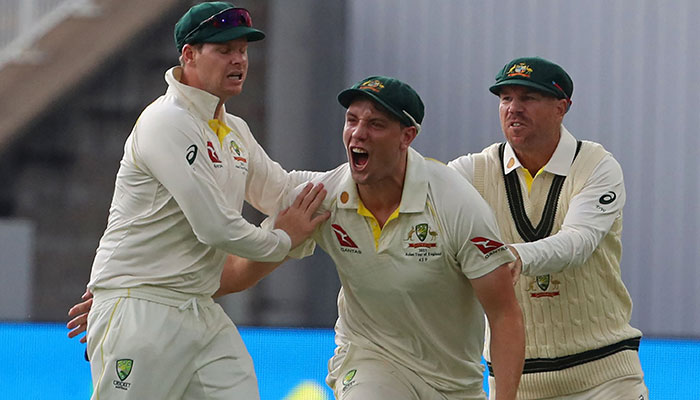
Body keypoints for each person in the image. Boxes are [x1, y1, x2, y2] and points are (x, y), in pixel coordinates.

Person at [71, 75, 526, 399]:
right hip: (370, 360)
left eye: (376, 125)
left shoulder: (455, 204)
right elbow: (245, 270)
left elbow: (504, 313)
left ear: (407, 136)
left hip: (455, 378)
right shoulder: (327, 197)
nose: (357, 134)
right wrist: (139, 291)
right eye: (352, 120)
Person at [76, 2, 329, 399]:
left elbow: (282, 191)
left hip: (199, 309)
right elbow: (215, 227)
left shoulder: (233, 130)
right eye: (224, 50)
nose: (239, 60)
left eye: (243, 50)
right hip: (142, 305)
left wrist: (356, 182)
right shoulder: (166, 121)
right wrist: (284, 239)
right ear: (189, 55)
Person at [447, 57, 649, 399]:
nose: (514, 109)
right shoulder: (473, 170)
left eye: (528, 98)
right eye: (506, 98)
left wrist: (511, 256)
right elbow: (414, 189)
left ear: (562, 107)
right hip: (516, 382)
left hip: (604, 377)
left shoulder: (597, 165)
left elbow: (577, 243)